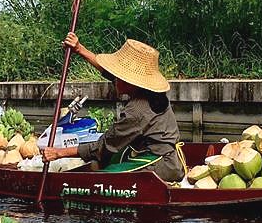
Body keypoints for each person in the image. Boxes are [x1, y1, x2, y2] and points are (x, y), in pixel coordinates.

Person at [41, 33, 185, 182]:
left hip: (161, 165)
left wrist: (58, 153)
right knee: (98, 163)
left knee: (100, 177)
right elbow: (109, 73)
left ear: (130, 82)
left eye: (118, 77)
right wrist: (79, 49)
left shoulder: (136, 111)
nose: (114, 80)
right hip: (160, 155)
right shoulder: (150, 92)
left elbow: (104, 146)